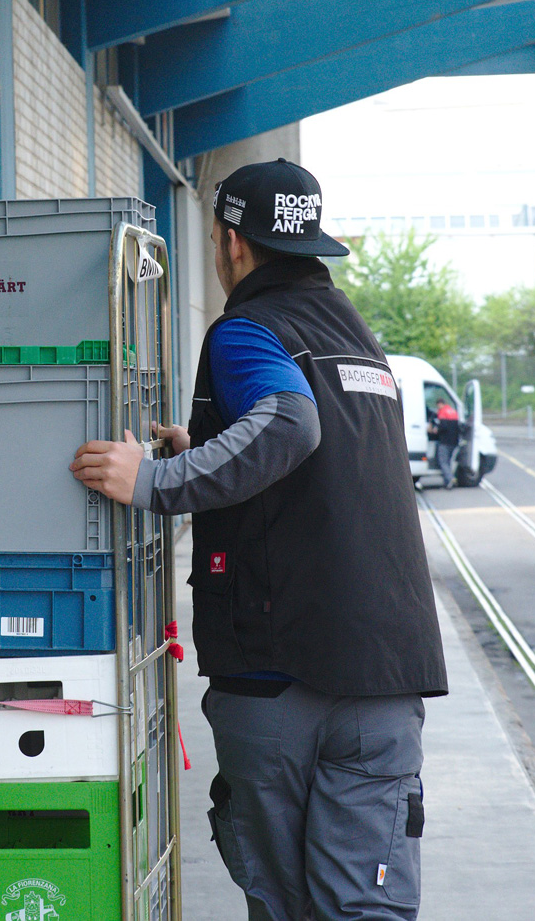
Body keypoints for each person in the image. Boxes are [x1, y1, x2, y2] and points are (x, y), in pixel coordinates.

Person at [70, 159, 447, 921]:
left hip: (280, 680)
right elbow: (324, 464)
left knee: (286, 906)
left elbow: (290, 424)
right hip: (384, 677)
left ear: (232, 243)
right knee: (364, 907)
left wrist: (150, 480)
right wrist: (201, 443)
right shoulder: (359, 341)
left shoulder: (247, 328)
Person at [431, 399, 461, 489]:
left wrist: (436, 430)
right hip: (454, 442)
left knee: (443, 462)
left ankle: (451, 478)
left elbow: (443, 426)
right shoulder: (453, 411)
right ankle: (447, 482)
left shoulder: (442, 412)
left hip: (444, 441)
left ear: (440, 404)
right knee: (448, 462)